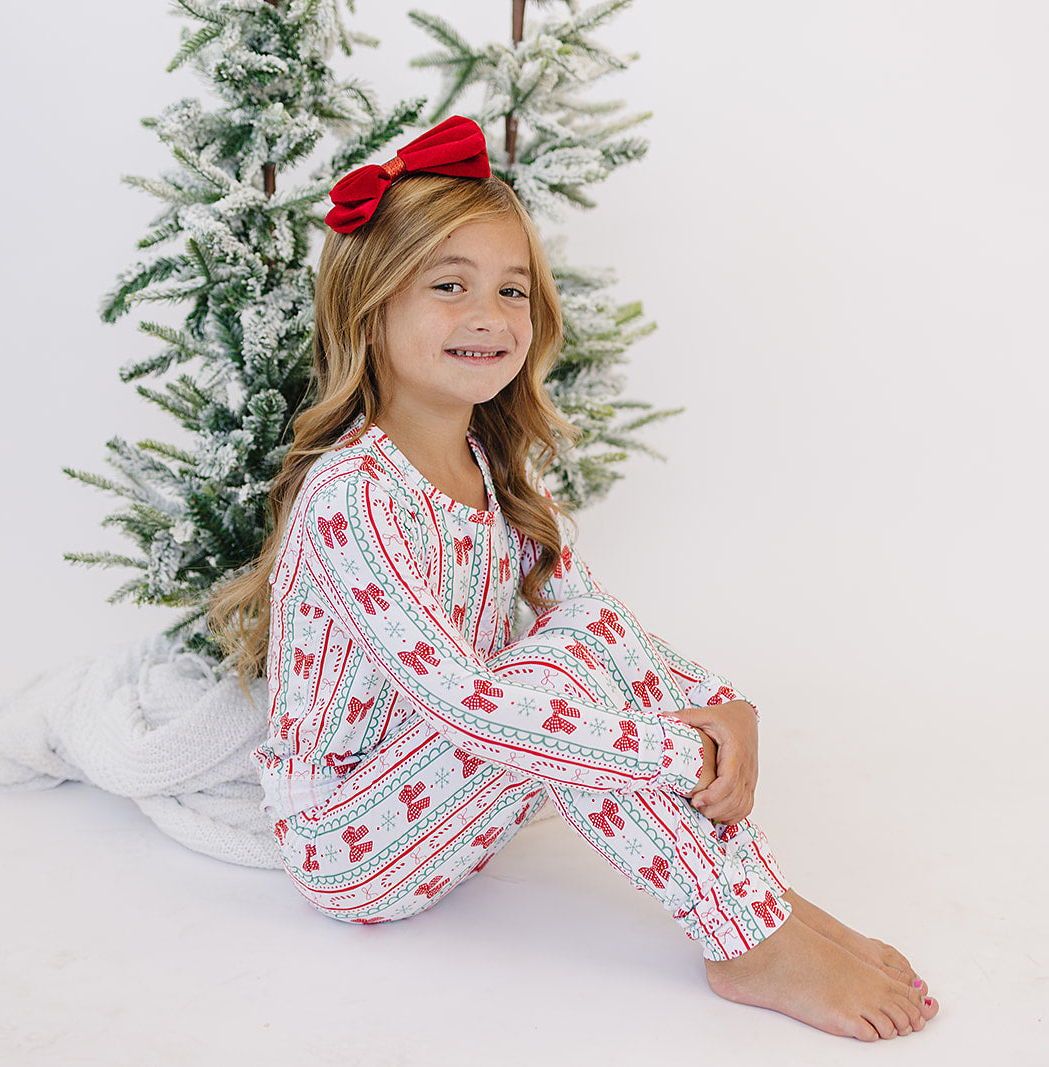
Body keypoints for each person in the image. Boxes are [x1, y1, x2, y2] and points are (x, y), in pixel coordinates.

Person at [207, 116, 939, 1041]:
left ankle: (758, 903)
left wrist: (721, 702)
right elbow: (466, 705)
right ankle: (749, 936)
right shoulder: (351, 496)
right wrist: (675, 749)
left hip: (444, 799)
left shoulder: (490, 466)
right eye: (449, 285)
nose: (490, 314)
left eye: (511, 289)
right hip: (350, 843)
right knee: (549, 672)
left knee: (581, 635)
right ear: (370, 309)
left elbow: (594, 620)